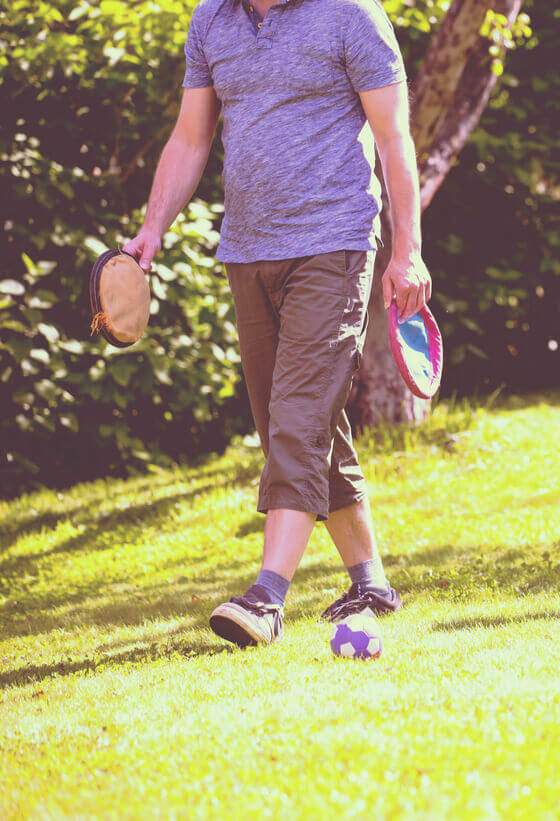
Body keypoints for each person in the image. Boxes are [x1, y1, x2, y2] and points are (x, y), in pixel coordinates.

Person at [124, 0, 431, 647]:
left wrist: (407, 251)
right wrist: (153, 228)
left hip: (334, 243)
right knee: (290, 419)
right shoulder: (212, 20)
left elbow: (393, 136)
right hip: (247, 250)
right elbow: (190, 137)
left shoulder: (350, 14)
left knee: (296, 415)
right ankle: (369, 579)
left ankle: (267, 596)